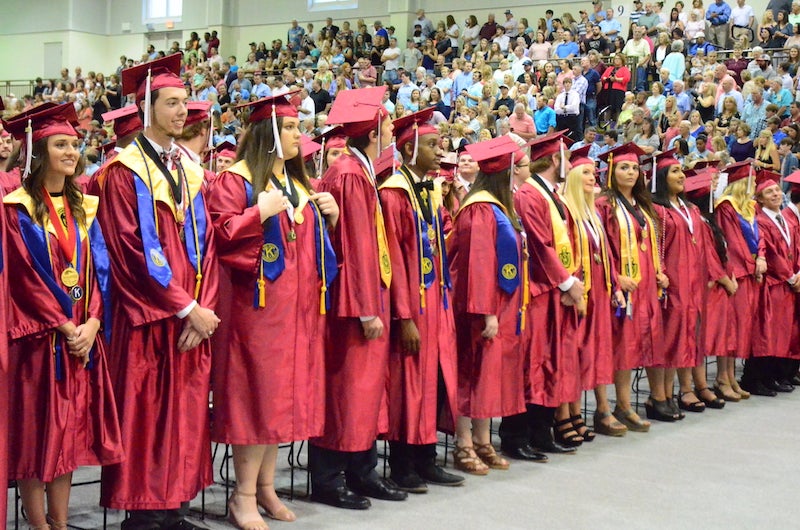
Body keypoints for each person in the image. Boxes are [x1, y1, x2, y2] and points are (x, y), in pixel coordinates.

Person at [96, 54, 221, 529]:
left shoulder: (190, 171)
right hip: (149, 319)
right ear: (146, 108)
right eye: (171, 103)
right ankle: (143, 517)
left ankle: (172, 508)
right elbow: (128, 252)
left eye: (184, 103)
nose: (181, 113)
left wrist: (203, 307)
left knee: (185, 417)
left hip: (191, 319)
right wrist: (185, 307)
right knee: (148, 417)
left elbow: (206, 244)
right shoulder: (121, 172)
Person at [206, 93, 339, 528]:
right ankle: (242, 496)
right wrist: (254, 213)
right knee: (256, 402)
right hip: (255, 313)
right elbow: (220, 239)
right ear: (268, 134)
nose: (299, 135)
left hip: (296, 314)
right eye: (290, 128)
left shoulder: (300, 185)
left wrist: (330, 217)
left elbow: (312, 251)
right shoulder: (237, 180)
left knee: (279, 403)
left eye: (298, 128)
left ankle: (265, 488)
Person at [2, 102, 124, 530]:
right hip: (40, 343)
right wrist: (66, 324)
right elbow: (24, 278)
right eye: (60, 144)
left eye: (74, 144)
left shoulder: (85, 208)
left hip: (81, 344)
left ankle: (60, 520)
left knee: (70, 435)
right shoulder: (16, 210)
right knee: (40, 436)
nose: (71, 151)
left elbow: (102, 273)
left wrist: (92, 323)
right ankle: (38, 524)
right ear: (37, 153)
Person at [309, 86, 407, 509]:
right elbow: (352, 248)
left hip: (368, 297)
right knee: (345, 391)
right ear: (373, 133)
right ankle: (331, 479)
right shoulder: (349, 174)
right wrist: (366, 307)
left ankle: (361, 470)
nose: (391, 131)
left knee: (365, 392)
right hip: (353, 304)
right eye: (387, 123)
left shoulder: (360, 170)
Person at [378, 108, 463, 492]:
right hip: (413, 304)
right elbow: (393, 259)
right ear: (408, 149)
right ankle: (402, 464)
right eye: (431, 145)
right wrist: (404, 316)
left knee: (434, 380)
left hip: (436, 300)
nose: (438, 151)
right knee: (409, 384)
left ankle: (427, 457)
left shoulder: (428, 191)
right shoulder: (395, 194)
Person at [499, 132, 586, 457]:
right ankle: (516, 436)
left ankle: (542, 431)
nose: (569, 161)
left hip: (555, 292)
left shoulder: (552, 196)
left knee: (551, 361)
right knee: (531, 364)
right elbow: (537, 245)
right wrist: (566, 282)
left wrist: (570, 282)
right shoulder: (529, 195)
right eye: (565, 155)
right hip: (536, 294)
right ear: (554, 159)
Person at [448, 135, 527, 473]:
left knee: (486, 375)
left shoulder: (496, 205)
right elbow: (478, 265)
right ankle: (463, 444)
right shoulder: (480, 208)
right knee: (471, 373)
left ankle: (483, 440)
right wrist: (487, 312)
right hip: (477, 305)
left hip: (499, 303)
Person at [597, 143, 670, 429]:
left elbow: (650, 245)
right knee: (616, 346)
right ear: (612, 172)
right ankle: (606, 408)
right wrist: (615, 277)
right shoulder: (604, 205)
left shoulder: (643, 207)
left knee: (630, 347)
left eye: (634, 168)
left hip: (644, 286)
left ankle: (624, 405)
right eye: (623, 167)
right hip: (618, 288)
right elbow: (600, 248)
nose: (630, 172)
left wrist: (659, 271)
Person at [562, 145, 628, 437]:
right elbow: (570, 255)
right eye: (585, 173)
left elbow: (607, 254)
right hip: (582, 295)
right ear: (573, 177)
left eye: (593, 173)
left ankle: (583, 411)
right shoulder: (568, 211)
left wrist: (614, 285)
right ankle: (569, 413)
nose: (592, 177)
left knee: (592, 353)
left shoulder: (592, 213)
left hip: (600, 294)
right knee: (575, 353)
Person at [650, 151, 719, 414]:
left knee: (683, 338)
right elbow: (656, 247)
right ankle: (660, 396)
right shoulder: (658, 210)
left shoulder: (691, 209)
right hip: (670, 285)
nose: (681, 176)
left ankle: (673, 393)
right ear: (662, 178)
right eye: (675, 171)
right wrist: (662, 274)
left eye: (681, 171)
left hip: (692, 285)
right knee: (667, 339)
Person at [714, 161, 765, 397]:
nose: (755, 185)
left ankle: (732, 377)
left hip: (751, 270)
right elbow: (731, 242)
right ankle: (722, 378)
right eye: (753, 181)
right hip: (737, 271)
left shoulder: (751, 207)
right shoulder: (727, 207)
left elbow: (760, 236)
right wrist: (751, 263)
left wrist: (761, 257)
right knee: (729, 328)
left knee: (740, 327)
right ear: (743, 184)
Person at [745, 178, 800, 392]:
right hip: (773, 284)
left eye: (777, 190)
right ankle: (756, 378)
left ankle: (773, 376)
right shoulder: (760, 221)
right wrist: (790, 277)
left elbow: (794, 250)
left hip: (787, 283)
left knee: (782, 332)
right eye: (769, 193)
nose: (776, 194)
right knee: (766, 332)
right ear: (760, 199)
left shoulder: (784, 221)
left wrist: (797, 273)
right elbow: (772, 254)